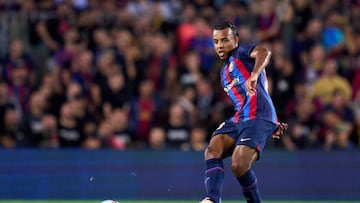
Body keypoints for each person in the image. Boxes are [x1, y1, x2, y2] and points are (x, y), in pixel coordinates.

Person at [200, 21, 288, 203]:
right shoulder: (224, 71)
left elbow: (265, 52)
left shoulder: (242, 53)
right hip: (241, 117)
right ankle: (212, 200)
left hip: (258, 116)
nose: (220, 46)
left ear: (236, 40)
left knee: (239, 164)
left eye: (225, 40)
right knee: (212, 149)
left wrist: (254, 74)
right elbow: (263, 89)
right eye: (216, 42)